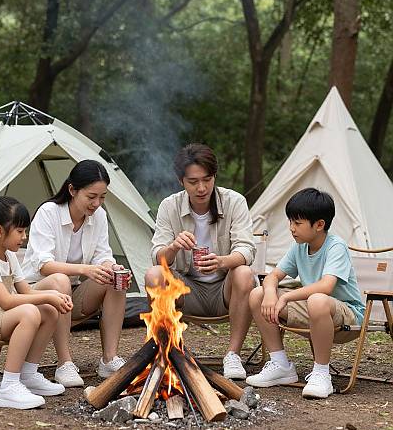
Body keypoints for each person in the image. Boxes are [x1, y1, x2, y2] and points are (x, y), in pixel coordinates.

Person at [146, 143, 257, 379]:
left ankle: (233, 355)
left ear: (214, 177)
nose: (201, 188)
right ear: (181, 181)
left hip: (225, 291)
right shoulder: (170, 206)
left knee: (245, 273)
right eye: (193, 182)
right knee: (155, 274)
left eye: (207, 180)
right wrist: (175, 246)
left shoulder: (234, 201)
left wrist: (223, 262)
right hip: (188, 290)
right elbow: (157, 256)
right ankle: (169, 351)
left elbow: (247, 249)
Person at [0, 194, 73, 409]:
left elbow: (25, 291)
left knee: (48, 311)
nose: (24, 237)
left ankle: (28, 374)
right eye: (20, 231)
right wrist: (49, 295)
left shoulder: (8, 256)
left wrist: (51, 299)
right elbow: (7, 302)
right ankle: (8, 386)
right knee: (30, 312)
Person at [246, 188, 365, 398]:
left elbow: (326, 287)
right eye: (290, 222)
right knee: (258, 294)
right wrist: (271, 293)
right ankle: (280, 365)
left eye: (297, 223)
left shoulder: (336, 247)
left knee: (317, 299)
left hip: (348, 315)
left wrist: (285, 296)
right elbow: (273, 277)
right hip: (314, 310)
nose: (291, 228)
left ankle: (321, 374)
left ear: (319, 225)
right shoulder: (299, 247)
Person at [22, 159, 128, 388]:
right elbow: (44, 265)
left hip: (72, 292)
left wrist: (111, 267)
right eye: (91, 197)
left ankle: (109, 359)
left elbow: (103, 254)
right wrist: (84, 269)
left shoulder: (98, 216)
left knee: (116, 280)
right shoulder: (49, 212)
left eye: (102, 197)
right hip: (35, 292)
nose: (97, 203)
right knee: (60, 281)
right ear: (72, 190)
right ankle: (64, 363)